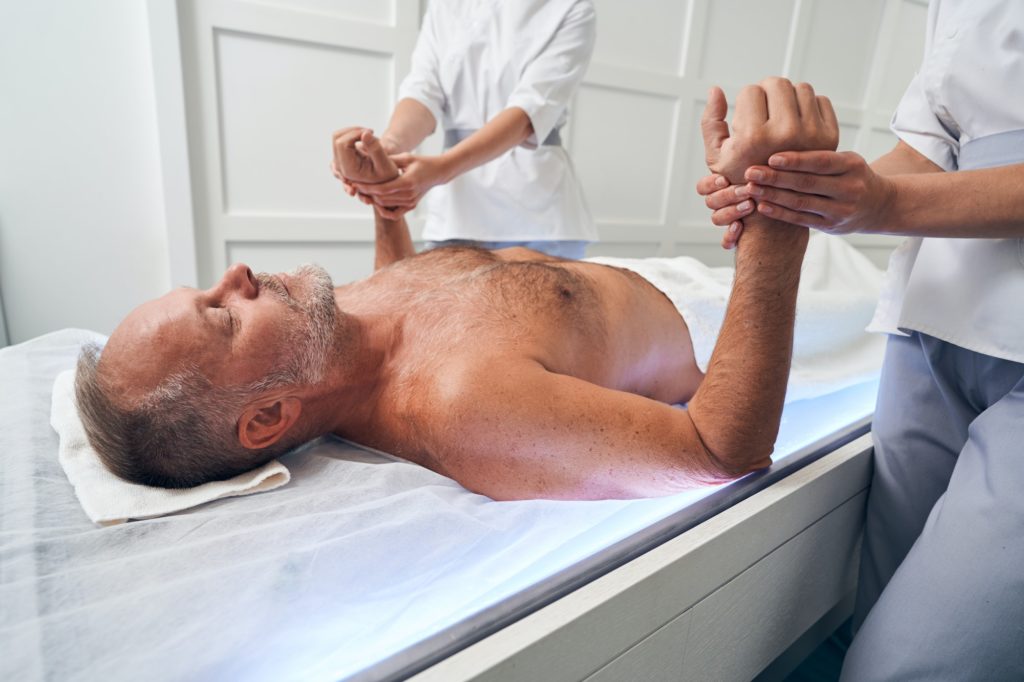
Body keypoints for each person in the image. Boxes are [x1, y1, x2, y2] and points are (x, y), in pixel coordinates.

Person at [75, 78, 838, 501]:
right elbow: (717, 451)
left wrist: (387, 204)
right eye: (221, 317)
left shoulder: (339, 331)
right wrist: (780, 214)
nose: (235, 276)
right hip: (735, 325)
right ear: (269, 414)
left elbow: (411, 295)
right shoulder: (465, 404)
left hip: (684, 277)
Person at [697, 2, 1024, 678]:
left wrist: (883, 206)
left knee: (904, 665)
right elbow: (927, 150)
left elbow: (898, 193)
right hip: (931, 328)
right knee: (876, 602)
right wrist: (790, 188)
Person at [329, 0, 597, 259]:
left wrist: (442, 169)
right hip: (455, 217)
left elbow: (530, 112)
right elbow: (423, 92)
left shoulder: (571, 7)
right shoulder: (445, 5)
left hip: (537, 218)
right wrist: (384, 149)